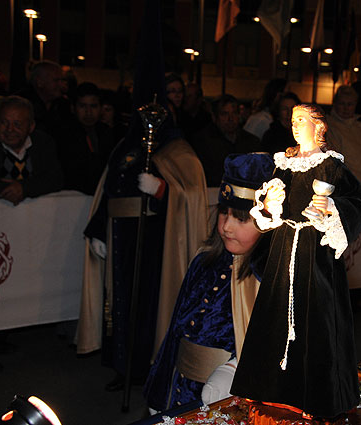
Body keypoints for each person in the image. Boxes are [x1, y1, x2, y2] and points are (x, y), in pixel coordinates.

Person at [76, 0, 210, 393]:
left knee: (148, 308)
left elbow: (189, 197)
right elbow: (108, 187)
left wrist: (163, 190)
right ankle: (123, 367)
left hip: (156, 244)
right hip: (121, 240)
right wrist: (99, 229)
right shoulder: (126, 146)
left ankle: (150, 366)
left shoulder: (179, 150)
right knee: (120, 306)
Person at [231, 104, 361, 419]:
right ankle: (272, 389)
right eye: (292, 120)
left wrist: (331, 210)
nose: (295, 126)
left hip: (315, 252)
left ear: (318, 126)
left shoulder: (332, 166)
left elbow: (360, 201)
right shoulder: (284, 162)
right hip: (283, 248)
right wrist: (268, 204)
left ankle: (317, 396)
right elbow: (268, 203)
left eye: (302, 120)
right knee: (275, 315)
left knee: (317, 318)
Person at [144, 152, 274, 411]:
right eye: (224, 213)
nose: (226, 227)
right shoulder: (203, 263)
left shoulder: (266, 277)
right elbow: (175, 333)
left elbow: (271, 345)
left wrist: (233, 368)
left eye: (241, 219)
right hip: (179, 388)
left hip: (226, 397)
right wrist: (158, 394)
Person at [0, 96, 63, 205]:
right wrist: (6, 189)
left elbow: (56, 179)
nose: (10, 129)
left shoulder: (43, 143)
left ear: (31, 126)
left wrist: (24, 188)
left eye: (17, 124)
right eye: (4, 122)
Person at [54, 82, 114, 195]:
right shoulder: (63, 134)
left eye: (93, 106)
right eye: (82, 106)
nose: (88, 112)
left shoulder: (107, 133)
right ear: (73, 108)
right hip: (71, 195)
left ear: (100, 108)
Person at [193, 95, 262, 187]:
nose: (230, 119)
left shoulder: (251, 141)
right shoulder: (203, 142)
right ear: (214, 117)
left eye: (234, 113)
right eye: (224, 114)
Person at [326, 85, 361, 193]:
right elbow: (334, 161)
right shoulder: (328, 128)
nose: (346, 108)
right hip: (343, 190)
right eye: (342, 103)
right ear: (335, 104)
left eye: (350, 104)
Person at [17, 60, 72, 137]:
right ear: (40, 82)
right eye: (56, 80)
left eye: (62, 80)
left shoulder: (62, 105)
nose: (61, 85)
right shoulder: (20, 104)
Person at [261, 91, 300, 155]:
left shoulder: (304, 134)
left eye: (292, 108)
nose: (289, 113)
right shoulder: (270, 136)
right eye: (284, 109)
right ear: (278, 111)